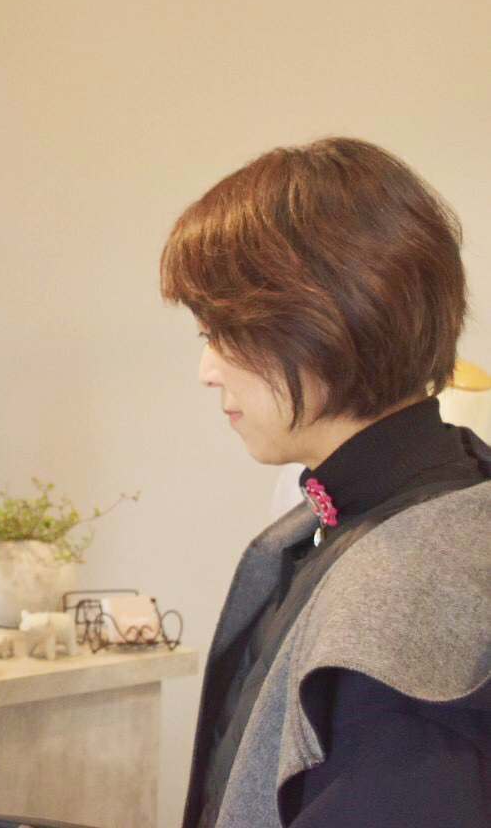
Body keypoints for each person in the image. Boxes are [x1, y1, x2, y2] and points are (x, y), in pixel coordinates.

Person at [160, 137, 491, 827]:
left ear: (326, 321)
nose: (207, 372)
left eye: (222, 334)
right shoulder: (345, 519)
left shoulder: (414, 586)